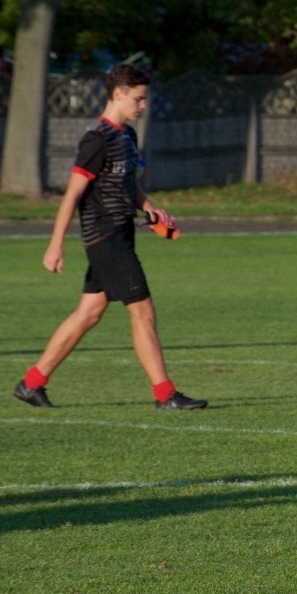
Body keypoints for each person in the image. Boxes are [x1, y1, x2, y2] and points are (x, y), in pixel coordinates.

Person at [15, 62, 205, 411]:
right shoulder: (96, 140)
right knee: (143, 311)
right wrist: (55, 245)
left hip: (121, 234)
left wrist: (151, 209)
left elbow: (129, 183)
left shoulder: (128, 137)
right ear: (118, 94)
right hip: (105, 239)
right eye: (138, 99)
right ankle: (166, 395)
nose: (143, 106)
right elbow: (72, 195)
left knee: (87, 314)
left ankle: (32, 383)